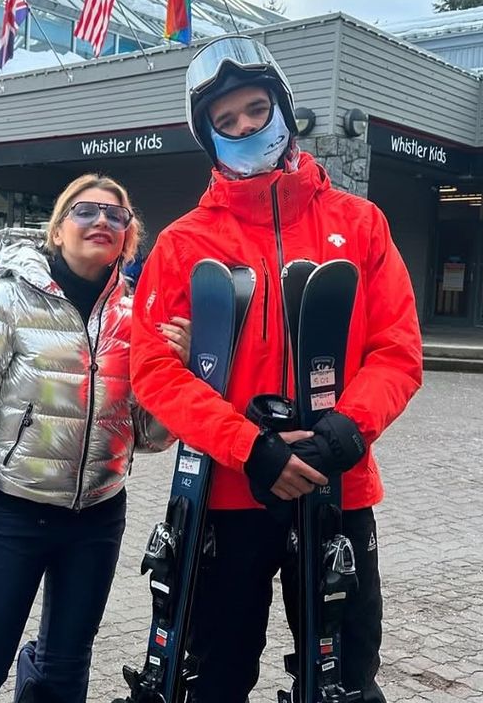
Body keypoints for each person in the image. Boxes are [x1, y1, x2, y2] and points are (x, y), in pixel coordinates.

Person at [128, 36, 423, 703]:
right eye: (225, 123)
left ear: (284, 110)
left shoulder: (360, 223)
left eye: (256, 110)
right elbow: (151, 369)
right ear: (208, 137)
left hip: (335, 484)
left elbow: (397, 349)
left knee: (345, 680)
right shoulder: (182, 244)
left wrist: (348, 429)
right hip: (226, 496)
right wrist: (248, 448)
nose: (245, 129)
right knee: (214, 676)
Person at [0, 174, 191, 703]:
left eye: (116, 215)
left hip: (99, 518)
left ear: (128, 236)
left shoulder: (135, 314)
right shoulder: (7, 300)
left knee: (65, 669)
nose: (102, 220)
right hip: (17, 514)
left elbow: (145, 434)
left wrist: (180, 371)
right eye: (85, 210)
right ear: (57, 230)